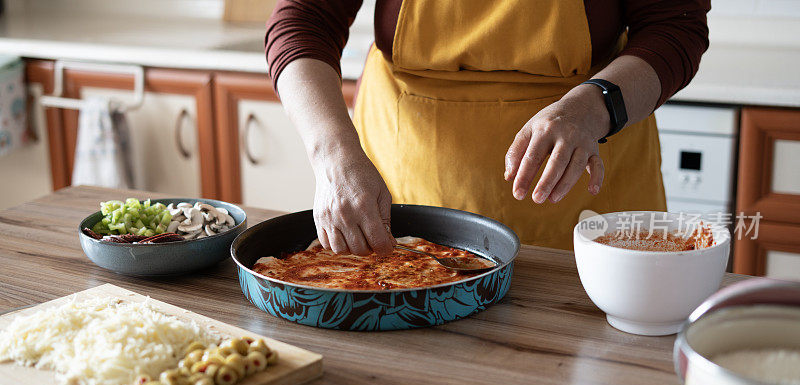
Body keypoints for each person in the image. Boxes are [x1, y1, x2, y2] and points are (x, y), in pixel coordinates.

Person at [266, 0, 710, 254]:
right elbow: (302, 21)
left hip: (589, 161)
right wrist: (333, 157)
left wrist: (591, 108)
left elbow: (675, 28)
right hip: (407, 181)